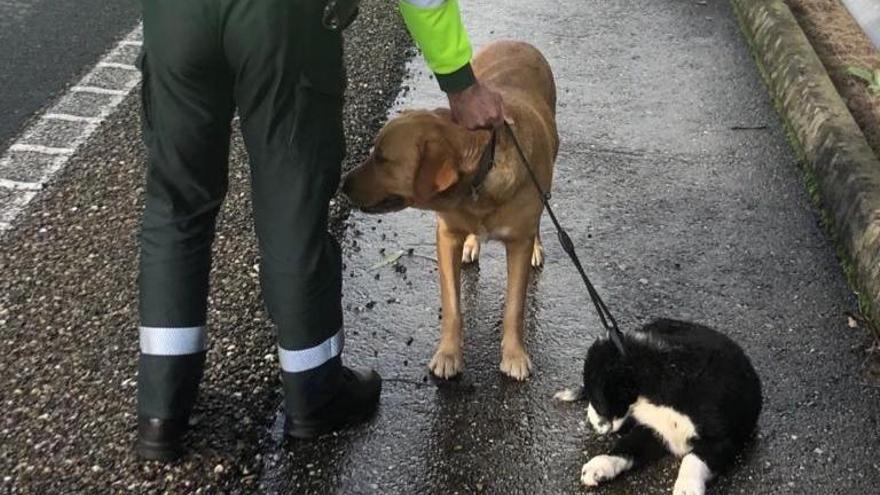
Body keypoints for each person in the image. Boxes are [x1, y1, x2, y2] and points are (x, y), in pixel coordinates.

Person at [135, 0, 503, 461]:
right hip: (281, 21)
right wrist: (458, 79)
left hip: (177, 17)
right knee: (292, 205)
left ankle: (162, 409)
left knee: (177, 202)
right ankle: (314, 394)